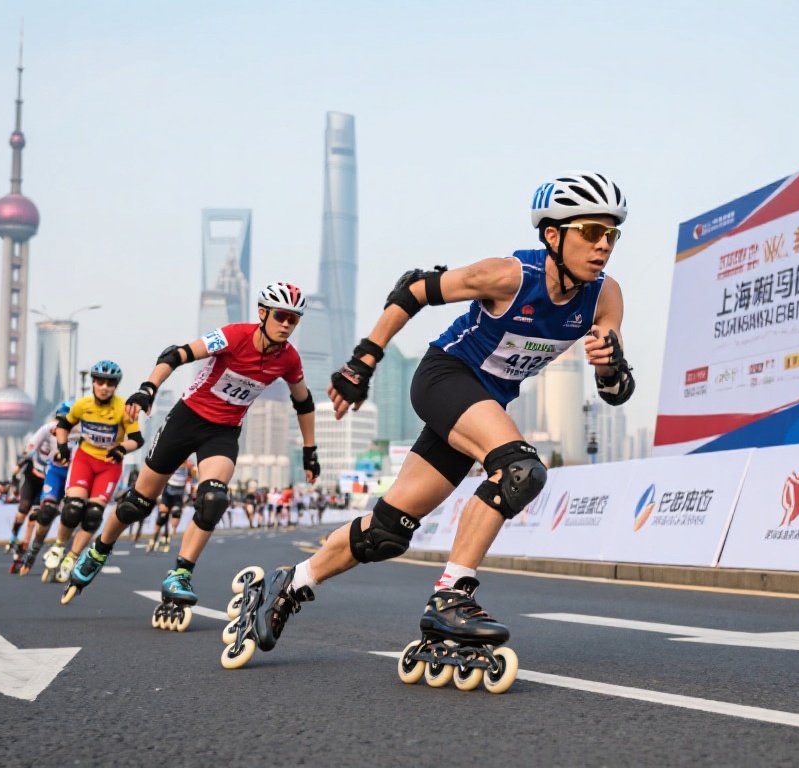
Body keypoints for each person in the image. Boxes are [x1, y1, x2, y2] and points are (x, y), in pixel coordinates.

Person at [249, 171, 636, 662]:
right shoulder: (509, 276)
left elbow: (615, 393)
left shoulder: (605, 296)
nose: (603, 245)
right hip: (445, 378)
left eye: (612, 234)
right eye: (591, 231)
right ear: (554, 236)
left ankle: (291, 583)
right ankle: (452, 595)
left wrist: (611, 366)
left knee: (387, 533)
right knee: (519, 469)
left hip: (483, 404)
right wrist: (363, 361)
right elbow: (413, 290)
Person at [65, 282, 322, 617]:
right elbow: (176, 354)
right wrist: (148, 388)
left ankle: (180, 574)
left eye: (294, 319)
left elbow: (304, 402)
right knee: (137, 504)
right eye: (281, 316)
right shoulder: (234, 335)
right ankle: (99, 550)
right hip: (186, 420)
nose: (286, 324)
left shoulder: (288, 358)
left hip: (223, 431)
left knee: (214, 499)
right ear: (263, 313)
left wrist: (309, 451)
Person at [34, 361, 143, 584]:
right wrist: (63, 447)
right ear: (93, 383)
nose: (104, 387)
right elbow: (63, 425)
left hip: (109, 465)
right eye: (100, 382)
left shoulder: (123, 409)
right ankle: (58, 546)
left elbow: (137, 439)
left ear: (116, 386)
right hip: (85, 459)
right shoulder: (82, 405)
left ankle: (72, 556)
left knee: (93, 515)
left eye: (110, 383)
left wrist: (122, 448)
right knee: (73, 508)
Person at [16, 400, 77, 575]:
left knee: (72, 513)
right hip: (55, 473)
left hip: (75, 474)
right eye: (61, 421)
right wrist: (25, 455)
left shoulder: (84, 430)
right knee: (46, 512)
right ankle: (32, 553)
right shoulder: (48, 428)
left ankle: (63, 551)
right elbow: (31, 446)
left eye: (70, 423)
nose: (64, 426)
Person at [144, 460, 195, 553]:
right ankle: (153, 538)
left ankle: (168, 539)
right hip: (167, 495)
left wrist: (187, 496)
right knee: (161, 518)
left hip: (178, 498)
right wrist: (160, 499)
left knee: (176, 516)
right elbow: (161, 479)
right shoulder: (172, 464)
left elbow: (191, 480)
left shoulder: (188, 468)